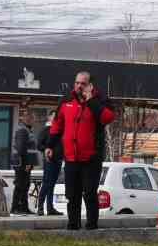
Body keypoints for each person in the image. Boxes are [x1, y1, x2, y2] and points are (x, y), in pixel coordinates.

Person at [47, 71, 115, 231]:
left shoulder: (100, 100)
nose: (79, 86)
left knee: (90, 193)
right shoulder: (66, 101)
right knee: (72, 195)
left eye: (83, 84)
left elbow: (108, 118)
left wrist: (91, 101)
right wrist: (50, 145)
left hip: (91, 158)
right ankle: (73, 225)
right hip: (71, 157)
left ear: (90, 85)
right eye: (77, 83)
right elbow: (57, 125)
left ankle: (92, 226)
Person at [36, 113, 63, 216]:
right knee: (47, 183)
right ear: (49, 118)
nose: (56, 118)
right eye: (54, 116)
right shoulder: (46, 130)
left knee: (52, 184)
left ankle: (50, 208)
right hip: (49, 161)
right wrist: (46, 149)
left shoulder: (60, 130)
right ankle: (40, 207)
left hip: (58, 160)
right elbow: (39, 145)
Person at [10, 111, 35, 214]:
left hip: (23, 162)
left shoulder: (26, 130)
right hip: (22, 163)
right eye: (32, 118)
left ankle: (24, 207)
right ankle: (15, 207)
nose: (34, 121)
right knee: (20, 184)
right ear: (27, 119)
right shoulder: (22, 130)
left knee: (25, 184)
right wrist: (27, 163)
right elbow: (21, 148)